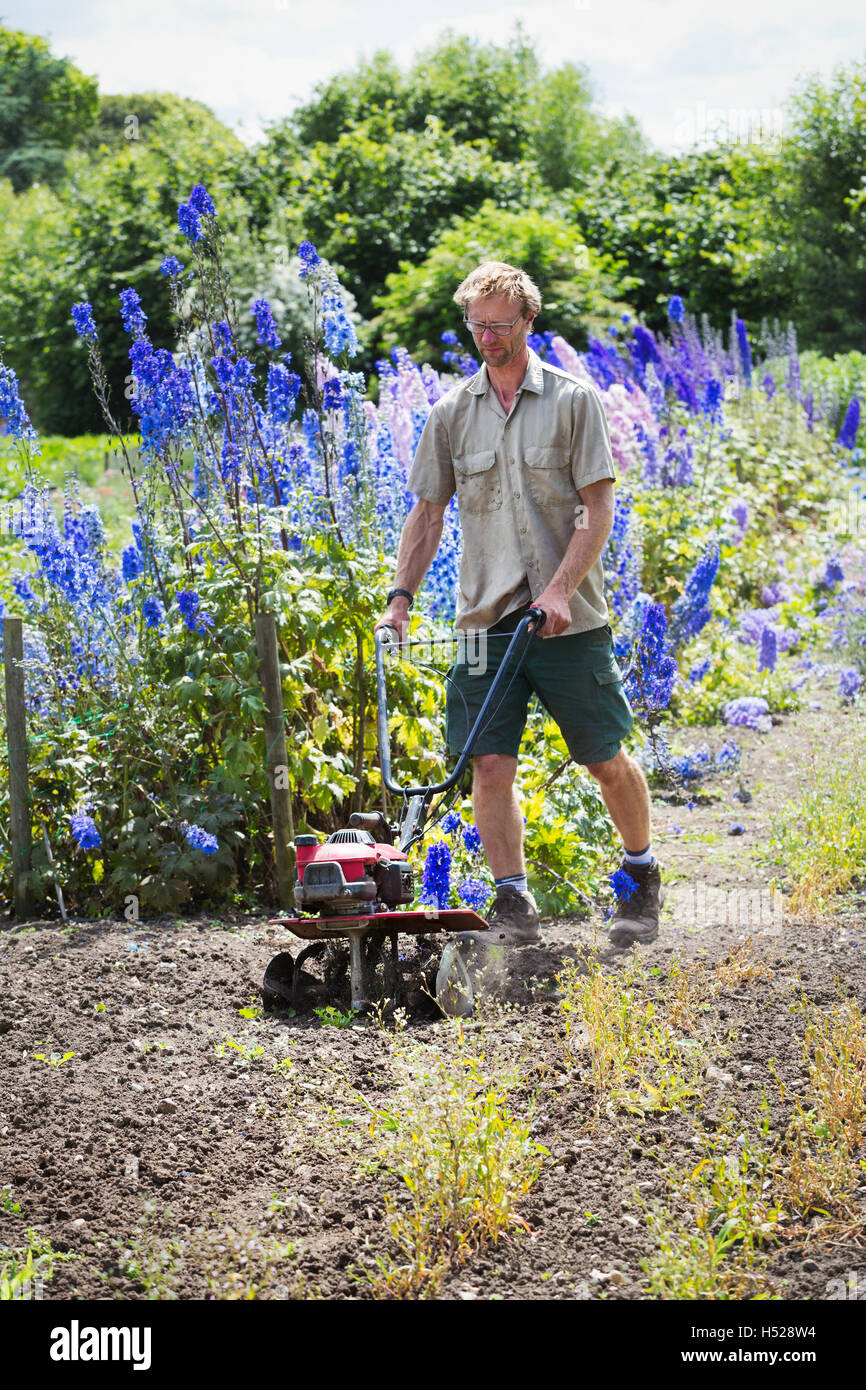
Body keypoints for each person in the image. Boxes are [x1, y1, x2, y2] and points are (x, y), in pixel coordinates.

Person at [374, 261, 661, 948]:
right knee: (488, 762)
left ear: (530, 320)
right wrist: (400, 600)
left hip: (569, 620)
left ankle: (641, 871)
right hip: (483, 619)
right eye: (477, 325)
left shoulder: (571, 401)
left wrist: (560, 587)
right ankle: (513, 900)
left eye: (500, 324)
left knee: (603, 756)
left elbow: (598, 508)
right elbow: (427, 514)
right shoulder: (451, 414)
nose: (487, 337)